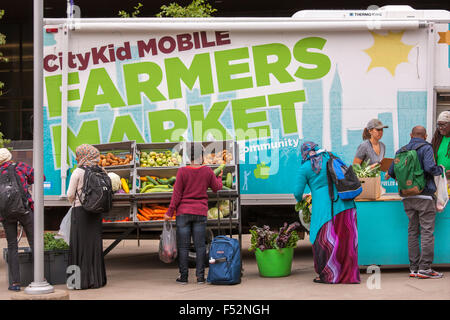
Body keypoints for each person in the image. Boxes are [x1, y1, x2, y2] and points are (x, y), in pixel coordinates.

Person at [294, 142, 360, 284]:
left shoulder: (305, 167)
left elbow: (297, 192)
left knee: (324, 240)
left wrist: (302, 199)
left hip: (326, 209)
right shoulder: (332, 157)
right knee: (347, 242)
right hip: (347, 203)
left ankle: (329, 275)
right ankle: (349, 275)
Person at [387, 126, 444, 279]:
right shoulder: (426, 148)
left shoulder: (401, 151)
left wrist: (408, 184)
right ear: (425, 136)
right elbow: (430, 168)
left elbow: (392, 172)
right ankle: (425, 268)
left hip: (407, 197)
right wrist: (441, 170)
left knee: (412, 231)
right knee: (426, 232)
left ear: (411, 135)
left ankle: (413, 268)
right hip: (424, 196)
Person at [164, 142, 223, 284]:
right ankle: (200, 277)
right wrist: (220, 176)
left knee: (183, 247)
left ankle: (183, 277)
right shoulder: (208, 171)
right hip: (200, 212)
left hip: (183, 213)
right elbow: (216, 188)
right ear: (202, 155)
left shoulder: (182, 171)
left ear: (188, 156)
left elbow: (176, 195)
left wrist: (169, 212)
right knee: (200, 246)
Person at [67, 144, 107, 289]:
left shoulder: (78, 172)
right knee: (94, 246)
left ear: (83, 156)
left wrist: (76, 201)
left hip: (80, 212)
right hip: (96, 213)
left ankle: (78, 282)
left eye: (78, 154)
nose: (77, 157)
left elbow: (70, 194)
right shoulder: (101, 171)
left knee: (79, 246)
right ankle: (96, 280)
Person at [0, 148, 34, 291]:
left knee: (12, 245)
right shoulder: (20, 166)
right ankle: (40, 277)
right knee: (34, 242)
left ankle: (15, 283)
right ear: (10, 157)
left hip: (6, 213)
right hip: (24, 209)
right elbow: (40, 177)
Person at [431, 110, 450, 176]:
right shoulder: (438, 139)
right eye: (439, 125)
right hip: (440, 180)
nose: (440, 128)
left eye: (443, 125)